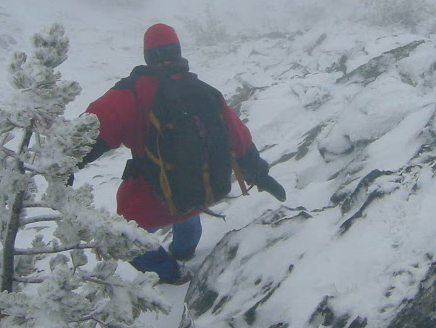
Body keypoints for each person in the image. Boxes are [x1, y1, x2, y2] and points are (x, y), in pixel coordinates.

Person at [77, 23, 286, 284]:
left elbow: (90, 130)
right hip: (200, 188)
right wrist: (259, 173)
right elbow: (237, 136)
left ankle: (173, 273)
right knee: (186, 210)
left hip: (153, 199)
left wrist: (67, 162)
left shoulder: (132, 92)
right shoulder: (204, 90)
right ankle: (184, 253)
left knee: (125, 239)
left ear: (147, 56)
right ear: (177, 51)